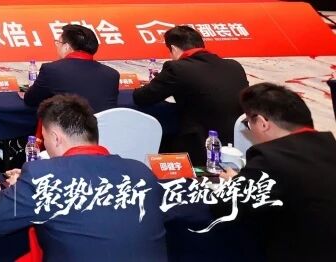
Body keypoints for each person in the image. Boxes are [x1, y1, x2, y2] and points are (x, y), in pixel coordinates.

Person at [0, 94, 166, 260]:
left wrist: (13, 188)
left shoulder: (42, 175)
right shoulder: (143, 173)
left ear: (56, 138)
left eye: (45, 139)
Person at [220, 83, 336, 261]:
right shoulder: (329, 145)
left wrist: (234, 183)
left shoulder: (271, 158)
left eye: (249, 124)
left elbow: (224, 206)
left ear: (262, 123)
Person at [133, 25, 248, 166]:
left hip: (198, 146)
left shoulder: (177, 68)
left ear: (174, 49)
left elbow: (142, 97)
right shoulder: (234, 66)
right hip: (237, 145)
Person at [24, 24, 120, 113]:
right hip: (102, 126)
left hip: (67, 125)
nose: (57, 45)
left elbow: (31, 100)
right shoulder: (112, 75)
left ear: (66, 47)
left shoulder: (52, 70)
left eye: (58, 42)